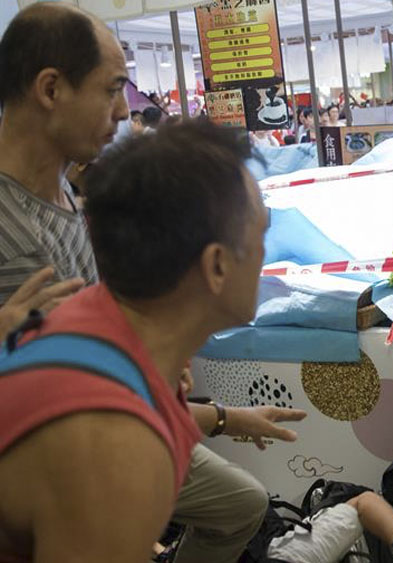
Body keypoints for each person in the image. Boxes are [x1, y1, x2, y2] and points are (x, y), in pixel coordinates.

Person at [0, 7, 305, 562]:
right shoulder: (119, 449)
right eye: (261, 233)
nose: (123, 109)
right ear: (214, 267)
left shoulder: (94, 328)